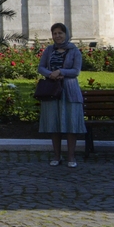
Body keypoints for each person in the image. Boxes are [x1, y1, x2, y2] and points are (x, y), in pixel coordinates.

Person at [38, 23, 86, 167]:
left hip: (69, 90)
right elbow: (41, 67)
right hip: (52, 90)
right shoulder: (49, 50)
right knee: (54, 123)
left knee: (71, 124)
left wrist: (61, 72)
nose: (57, 36)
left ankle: (71, 157)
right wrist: (50, 74)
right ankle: (56, 156)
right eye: (55, 33)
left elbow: (76, 70)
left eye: (60, 33)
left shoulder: (74, 50)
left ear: (66, 34)